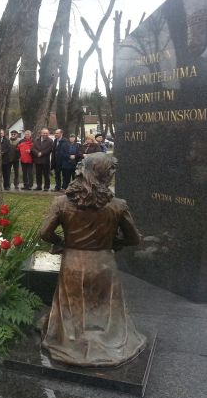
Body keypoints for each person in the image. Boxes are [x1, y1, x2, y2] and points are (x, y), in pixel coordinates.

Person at [40, 153, 145, 367]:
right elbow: (134, 238)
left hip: (72, 261)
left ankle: (70, 340)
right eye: (111, 170)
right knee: (103, 309)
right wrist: (115, 242)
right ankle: (103, 342)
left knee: (73, 306)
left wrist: (61, 242)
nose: (113, 174)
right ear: (101, 173)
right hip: (104, 263)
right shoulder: (118, 205)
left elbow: (44, 233)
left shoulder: (61, 203)